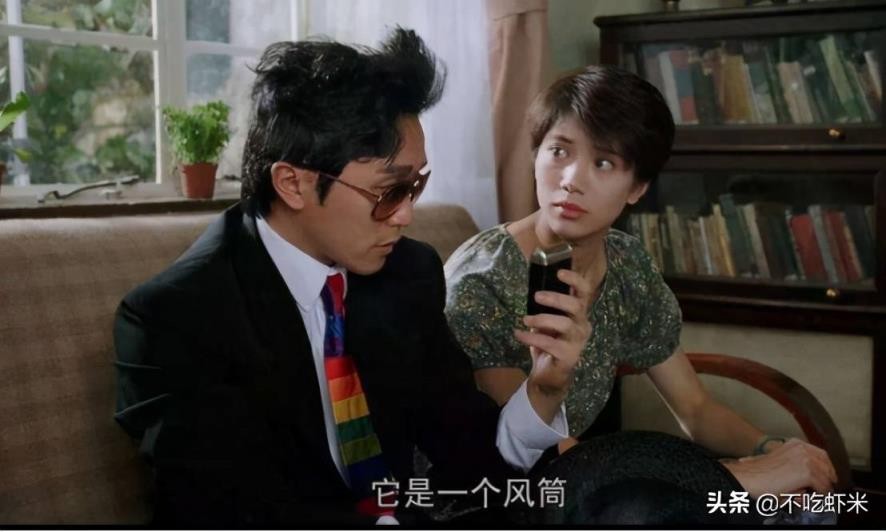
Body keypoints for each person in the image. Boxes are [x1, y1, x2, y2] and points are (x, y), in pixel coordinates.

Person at [113, 29, 590, 526]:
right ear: (292, 183)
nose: (405, 215)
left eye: (415, 185)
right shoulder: (177, 318)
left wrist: (543, 390)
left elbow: (467, 459)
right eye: (389, 191)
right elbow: (226, 510)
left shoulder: (407, 273)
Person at [443, 65, 837, 502]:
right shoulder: (481, 282)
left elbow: (695, 409)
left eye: (604, 162)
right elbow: (530, 456)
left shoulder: (627, 264)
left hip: (590, 480)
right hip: (493, 496)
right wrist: (739, 478)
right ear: (535, 156)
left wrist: (773, 450)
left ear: (637, 189)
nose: (571, 181)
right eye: (558, 151)